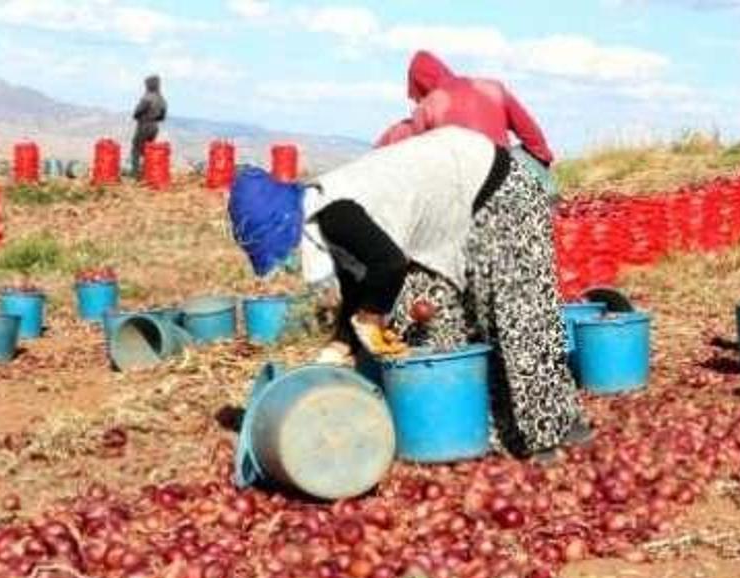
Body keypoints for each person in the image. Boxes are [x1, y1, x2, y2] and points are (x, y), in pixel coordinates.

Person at [228, 126, 590, 459]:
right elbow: (360, 278)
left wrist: (369, 316)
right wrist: (341, 344)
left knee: (518, 317)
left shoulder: (334, 213)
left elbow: (388, 266)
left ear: (285, 224)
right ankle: (465, 427)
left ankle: (552, 431)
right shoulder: (321, 214)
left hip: (496, 188)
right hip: (452, 206)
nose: (285, 258)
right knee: (436, 320)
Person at [375, 50, 554, 168]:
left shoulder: (428, 106)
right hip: (500, 175)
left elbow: (417, 159)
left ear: (419, 85)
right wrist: (543, 158)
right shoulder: (492, 88)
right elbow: (532, 136)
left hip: (459, 189)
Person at [131, 75, 167, 178]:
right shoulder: (162, 99)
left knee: (136, 149)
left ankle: (135, 174)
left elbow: (136, 112)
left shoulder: (147, 97)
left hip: (144, 125)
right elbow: (162, 117)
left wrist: (141, 117)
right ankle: (149, 172)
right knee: (149, 150)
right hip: (155, 126)